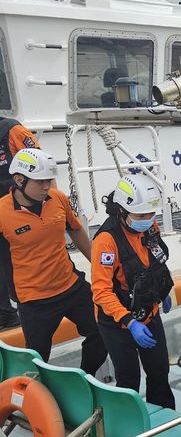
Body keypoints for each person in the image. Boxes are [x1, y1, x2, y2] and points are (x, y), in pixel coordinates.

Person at [0, 148, 107, 374]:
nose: (46, 187)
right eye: (40, 182)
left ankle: (85, 378)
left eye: (49, 180)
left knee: (103, 331)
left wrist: (99, 268)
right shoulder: (2, 213)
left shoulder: (58, 199)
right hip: (33, 299)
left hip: (71, 286)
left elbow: (76, 231)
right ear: (19, 180)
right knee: (38, 360)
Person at [91, 174, 175, 408]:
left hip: (148, 312)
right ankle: (129, 434)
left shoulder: (149, 227)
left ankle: (166, 422)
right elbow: (101, 291)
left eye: (151, 214)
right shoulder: (106, 242)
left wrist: (163, 292)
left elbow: (156, 263)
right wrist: (130, 322)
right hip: (117, 323)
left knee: (159, 371)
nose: (148, 220)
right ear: (121, 211)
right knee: (129, 380)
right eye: (141, 215)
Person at [0, 118, 39, 330]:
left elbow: (39, 164)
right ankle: (5, 313)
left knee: (21, 256)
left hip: (19, 208)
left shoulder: (12, 131)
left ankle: (27, 304)